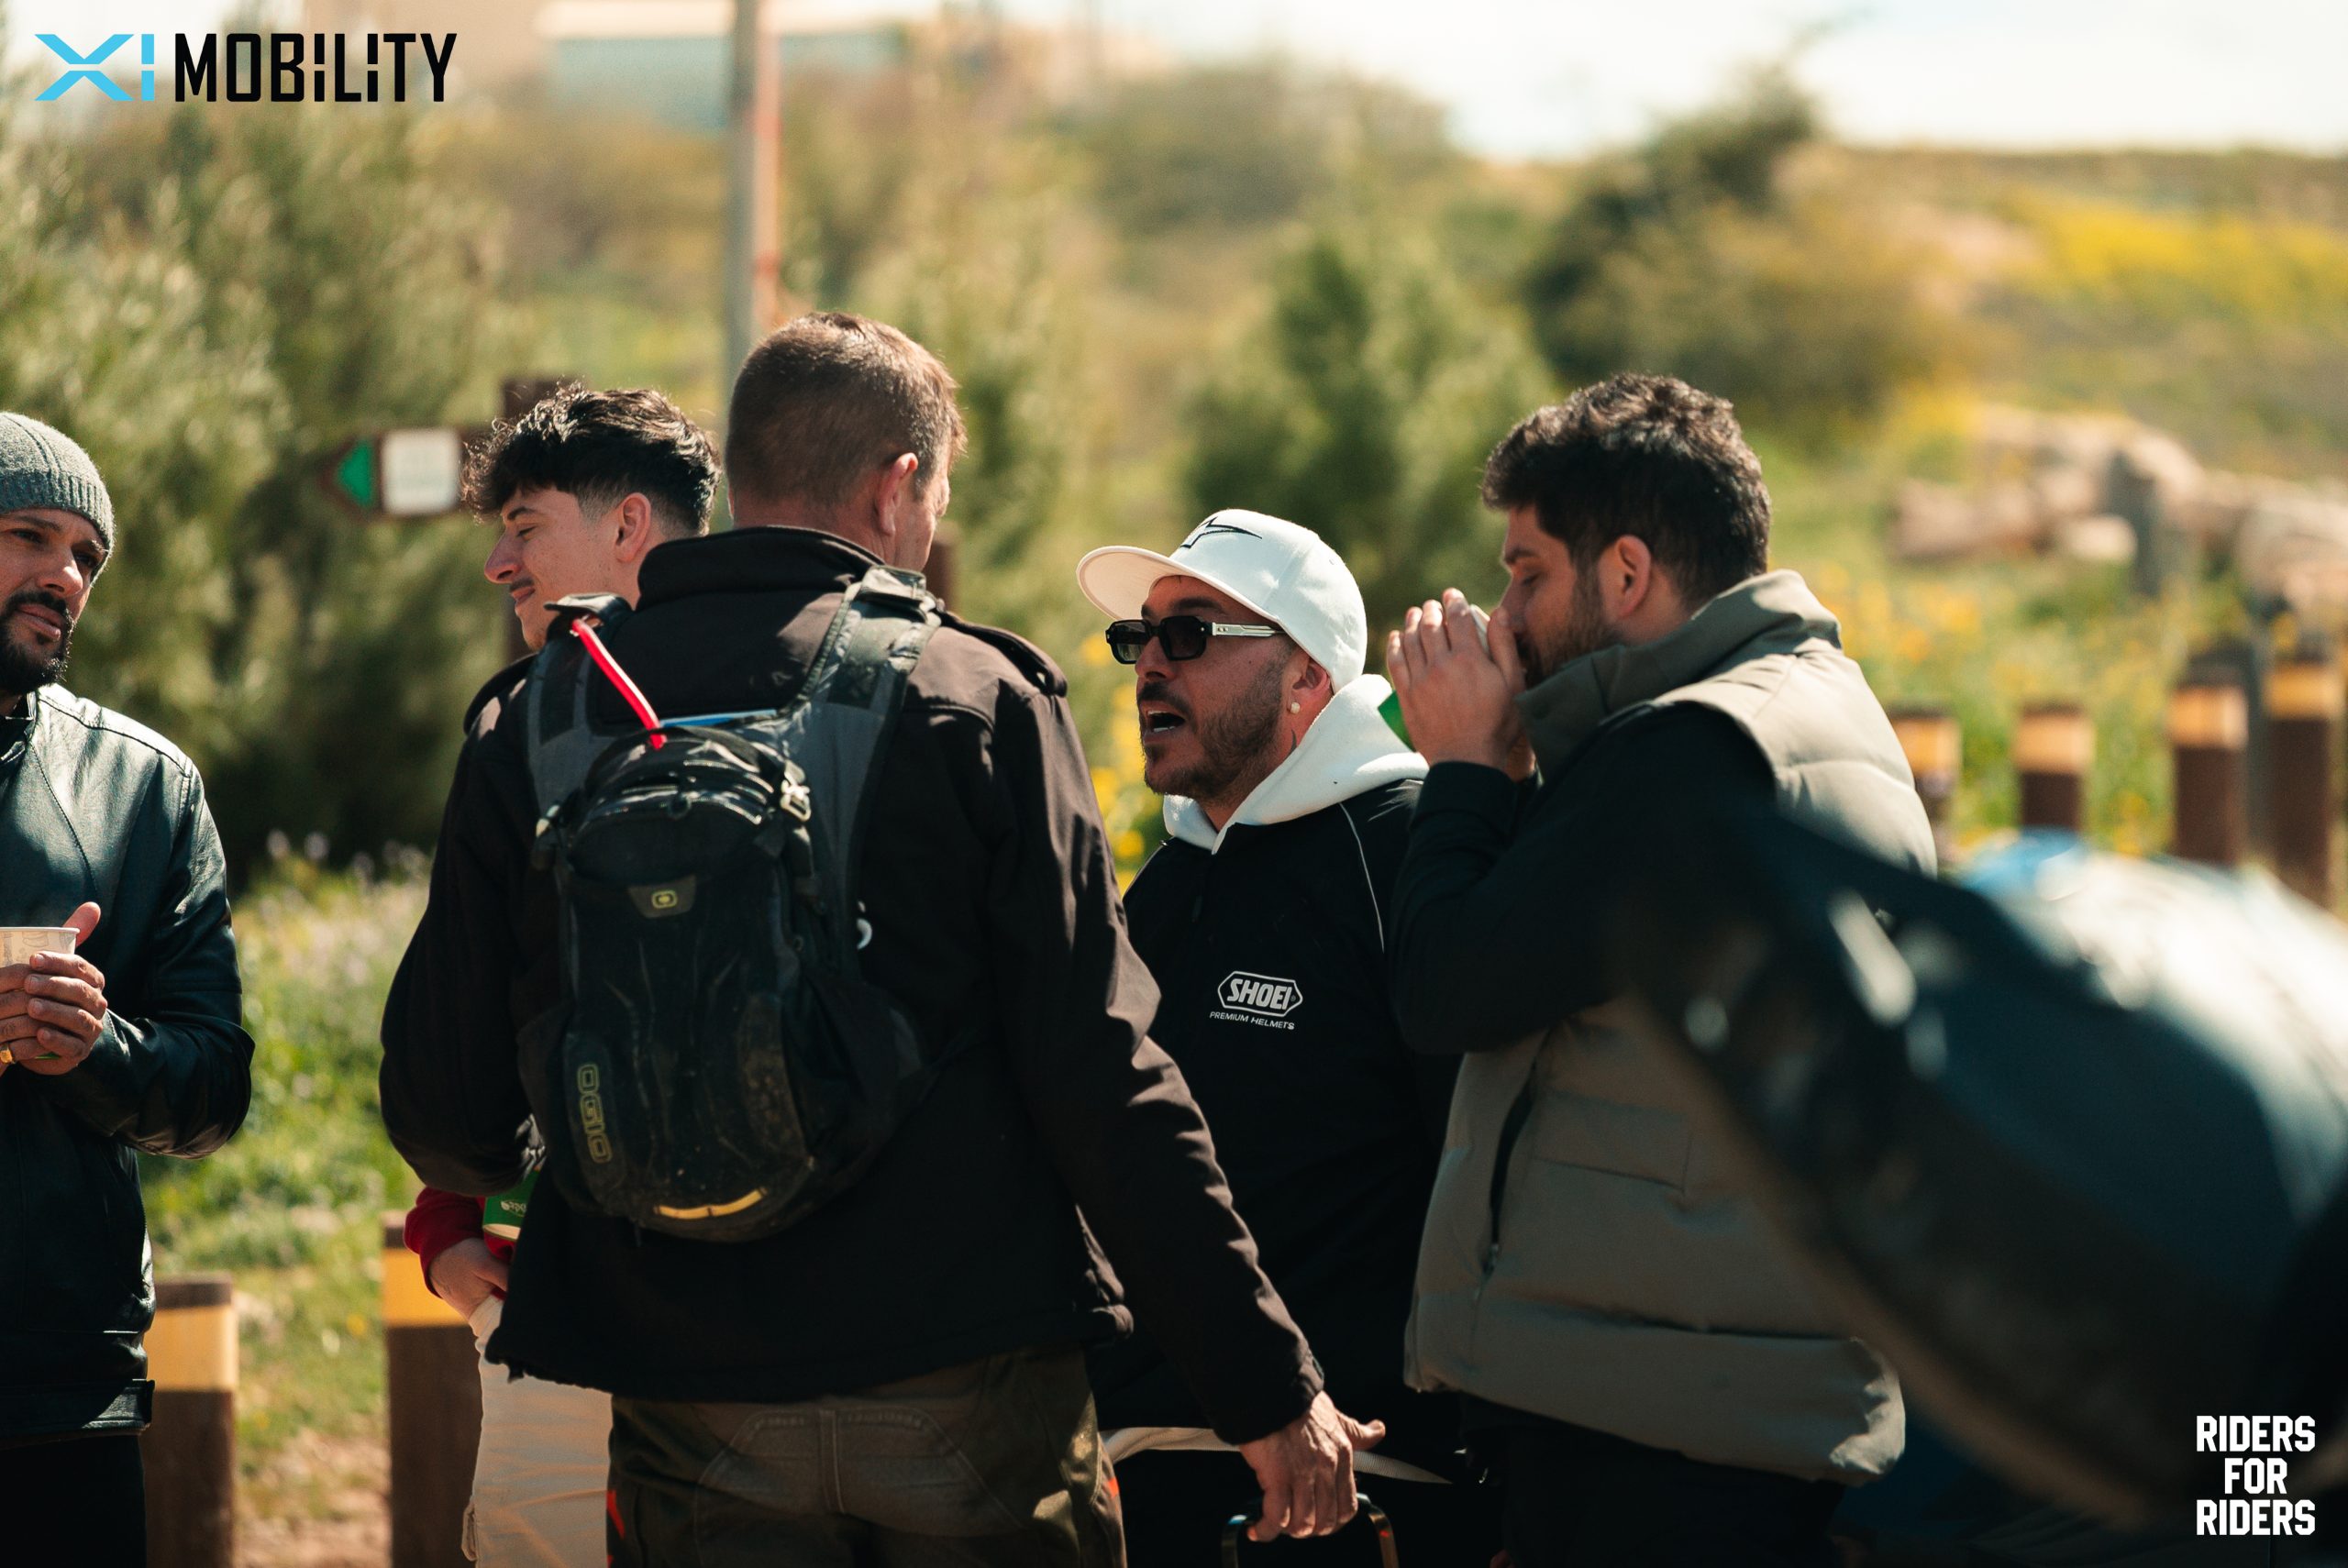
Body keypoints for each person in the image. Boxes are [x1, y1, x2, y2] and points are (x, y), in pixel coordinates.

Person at [381, 311, 1381, 1567]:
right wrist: (1265, 1385)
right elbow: (1102, 1077)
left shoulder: (542, 713)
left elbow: (444, 1108)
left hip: (683, 1386)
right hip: (964, 1381)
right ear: (897, 484)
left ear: (745, 472)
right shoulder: (977, 697)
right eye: (935, 495)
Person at [1383, 373, 1934, 1568]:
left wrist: (1466, 766)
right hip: (1727, 1395)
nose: (1504, 612)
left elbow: (1450, 986)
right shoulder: (1806, 709)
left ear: (1626, 573)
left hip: (1657, 1424)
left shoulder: (1691, 747)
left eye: (1527, 573)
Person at [1075, 513, 1498, 1564]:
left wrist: (1508, 1475)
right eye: (1140, 638)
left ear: (1307, 678)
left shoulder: (1404, 850)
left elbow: (1491, 1177)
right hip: (1138, 1472)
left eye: (1190, 635)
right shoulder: (1164, 881)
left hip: (1356, 1482)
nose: (1149, 666)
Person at [399, 384, 718, 1567]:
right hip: (800, 1326)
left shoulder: (523, 726)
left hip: (566, 1310)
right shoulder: (831, 696)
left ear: (628, 525)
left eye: (525, 527)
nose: (499, 563)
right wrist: (450, 1225)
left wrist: (449, 1215)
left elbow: (448, 1057)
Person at [0, 413, 254, 1566]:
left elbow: (212, 1088)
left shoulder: (146, 789)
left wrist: (93, 1051)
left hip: (59, 1393)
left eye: (87, 556)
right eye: (29, 536)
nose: (66, 576)